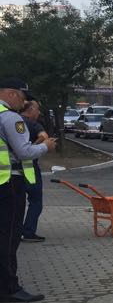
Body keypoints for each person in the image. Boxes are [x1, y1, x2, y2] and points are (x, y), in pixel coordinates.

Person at [0, 77, 55, 302]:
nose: (23, 103)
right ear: (12, 93)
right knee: (9, 237)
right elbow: (23, 152)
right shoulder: (11, 118)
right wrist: (45, 146)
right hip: (9, 184)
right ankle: (9, 288)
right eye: (22, 97)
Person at [20, 100, 46, 242]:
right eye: (37, 109)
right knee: (35, 201)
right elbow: (44, 137)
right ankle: (28, 231)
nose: (39, 112)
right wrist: (32, 148)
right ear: (30, 109)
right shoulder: (33, 124)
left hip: (11, 171)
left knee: (16, 202)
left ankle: (14, 230)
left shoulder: (13, 120)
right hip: (30, 169)